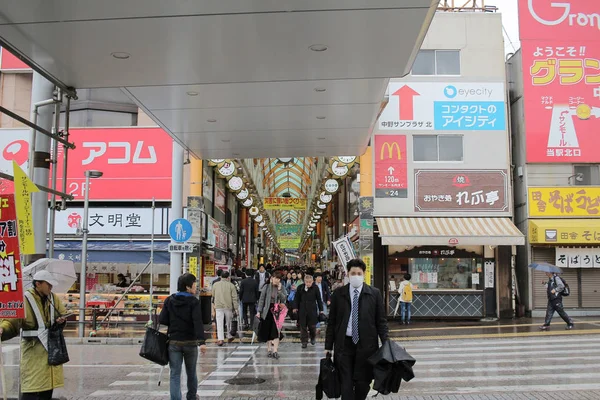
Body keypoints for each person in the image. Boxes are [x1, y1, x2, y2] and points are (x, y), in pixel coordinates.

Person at [325, 259, 389, 400]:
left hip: (367, 346)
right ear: (348, 273)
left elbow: (381, 321)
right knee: (345, 385)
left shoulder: (374, 293)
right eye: (353, 273)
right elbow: (332, 322)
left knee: (363, 384)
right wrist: (328, 346)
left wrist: (386, 343)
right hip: (344, 346)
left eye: (359, 273)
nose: (356, 276)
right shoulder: (339, 294)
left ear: (364, 274)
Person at [0, 270, 67, 400]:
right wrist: (3, 329)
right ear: (38, 284)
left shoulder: (53, 299)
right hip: (33, 351)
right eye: (48, 284)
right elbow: (11, 321)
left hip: (51, 351)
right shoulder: (24, 300)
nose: (51, 287)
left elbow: (61, 314)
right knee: (31, 389)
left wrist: (60, 321)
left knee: (47, 389)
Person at [159, 273, 207, 400]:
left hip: (174, 342)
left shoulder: (169, 300)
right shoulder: (193, 302)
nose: (196, 286)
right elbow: (197, 322)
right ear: (187, 287)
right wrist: (202, 342)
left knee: (175, 374)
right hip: (190, 342)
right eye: (194, 284)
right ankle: (191, 396)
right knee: (191, 372)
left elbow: (163, 319)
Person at [257, 270, 288, 359]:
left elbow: (284, 299)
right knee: (268, 330)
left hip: (277, 312)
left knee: (276, 331)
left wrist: (279, 291)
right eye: (276, 278)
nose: (277, 280)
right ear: (271, 278)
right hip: (267, 311)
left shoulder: (282, 288)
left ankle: (275, 351)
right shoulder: (266, 287)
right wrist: (259, 311)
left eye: (279, 279)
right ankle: (269, 349)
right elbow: (261, 300)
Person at [293, 274, 324, 348]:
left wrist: (321, 310)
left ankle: (313, 337)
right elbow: (296, 298)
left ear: (312, 281)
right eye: (307, 282)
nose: (308, 283)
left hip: (312, 310)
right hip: (302, 310)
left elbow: (319, 299)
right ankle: (304, 342)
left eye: (310, 282)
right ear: (304, 281)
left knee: (312, 327)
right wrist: (295, 307)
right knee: (303, 327)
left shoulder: (315, 288)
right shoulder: (300, 288)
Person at [212, 271, 239, 346]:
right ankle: (229, 335)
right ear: (228, 278)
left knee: (219, 323)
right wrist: (236, 309)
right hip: (228, 306)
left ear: (220, 277)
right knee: (228, 322)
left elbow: (213, 295)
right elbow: (234, 298)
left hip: (218, 306)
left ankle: (220, 339)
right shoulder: (231, 285)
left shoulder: (215, 285)